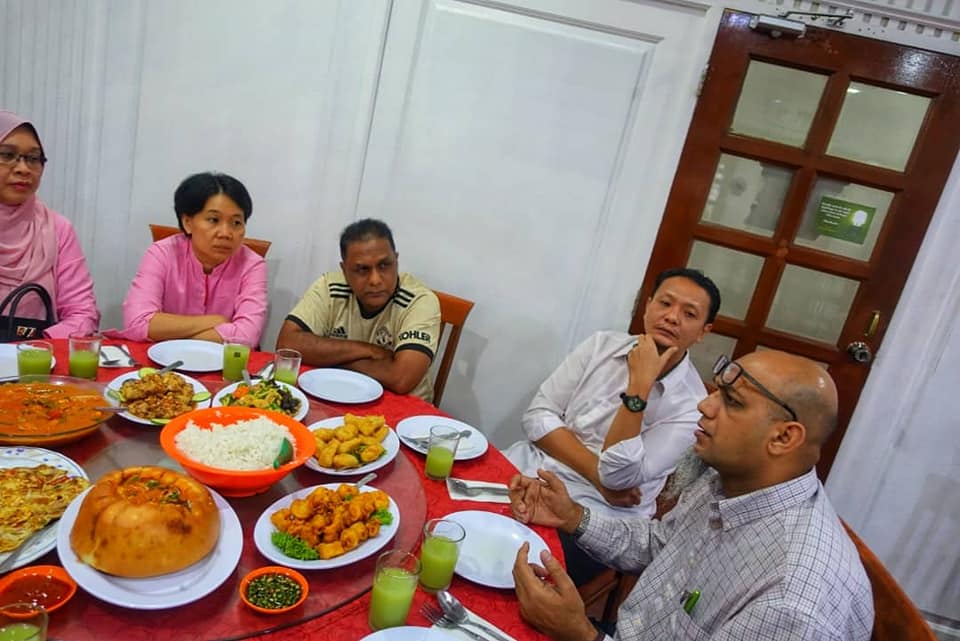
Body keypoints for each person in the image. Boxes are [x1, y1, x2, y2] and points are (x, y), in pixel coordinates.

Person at [509, 350, 874, 641]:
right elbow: (660, 544)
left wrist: (581, 634)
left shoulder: (793, 603)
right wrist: (574, 516)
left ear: (783, 437)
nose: (705, 405)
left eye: (732, 401)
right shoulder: (729, 481)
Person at [505, 267, 719, 584]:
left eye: (689, 314)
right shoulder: (600, 346)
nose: (672, 317)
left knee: (515, 577)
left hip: (599, 516)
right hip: (531, 469)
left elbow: (618, 477)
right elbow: (537, 416)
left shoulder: (692, 405)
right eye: (665, 303)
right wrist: (596, 474)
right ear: (648, 305)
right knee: (448, 519)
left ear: (703, 331)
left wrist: (639, 386)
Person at [276, 218, 440, 401]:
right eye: (362, 269)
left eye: (384, 265)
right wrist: (371, 351)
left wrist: (330, 357)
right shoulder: (329, 286)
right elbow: (287, 345)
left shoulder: (420, 301)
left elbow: (401, 378)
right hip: (338, 397)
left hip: (405, 409)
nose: (375, 280)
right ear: (344, 270)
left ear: (396, 260)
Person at [119, 172, 267, 346]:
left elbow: (247, 336)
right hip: (163, 360)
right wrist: (216, 321)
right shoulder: (162, 253)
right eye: (214, 220)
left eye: (236, 223)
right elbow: (138, 323)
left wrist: (169, 335)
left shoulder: (252, 264)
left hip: (218, 361)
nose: (226, 233)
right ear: (188, 223)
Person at [0, 110, 99, 338]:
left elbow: (83, 313)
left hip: (34, 355)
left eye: (33, 158)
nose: (23, 168)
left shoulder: (57, 229)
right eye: (7, 155)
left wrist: (35, 349)